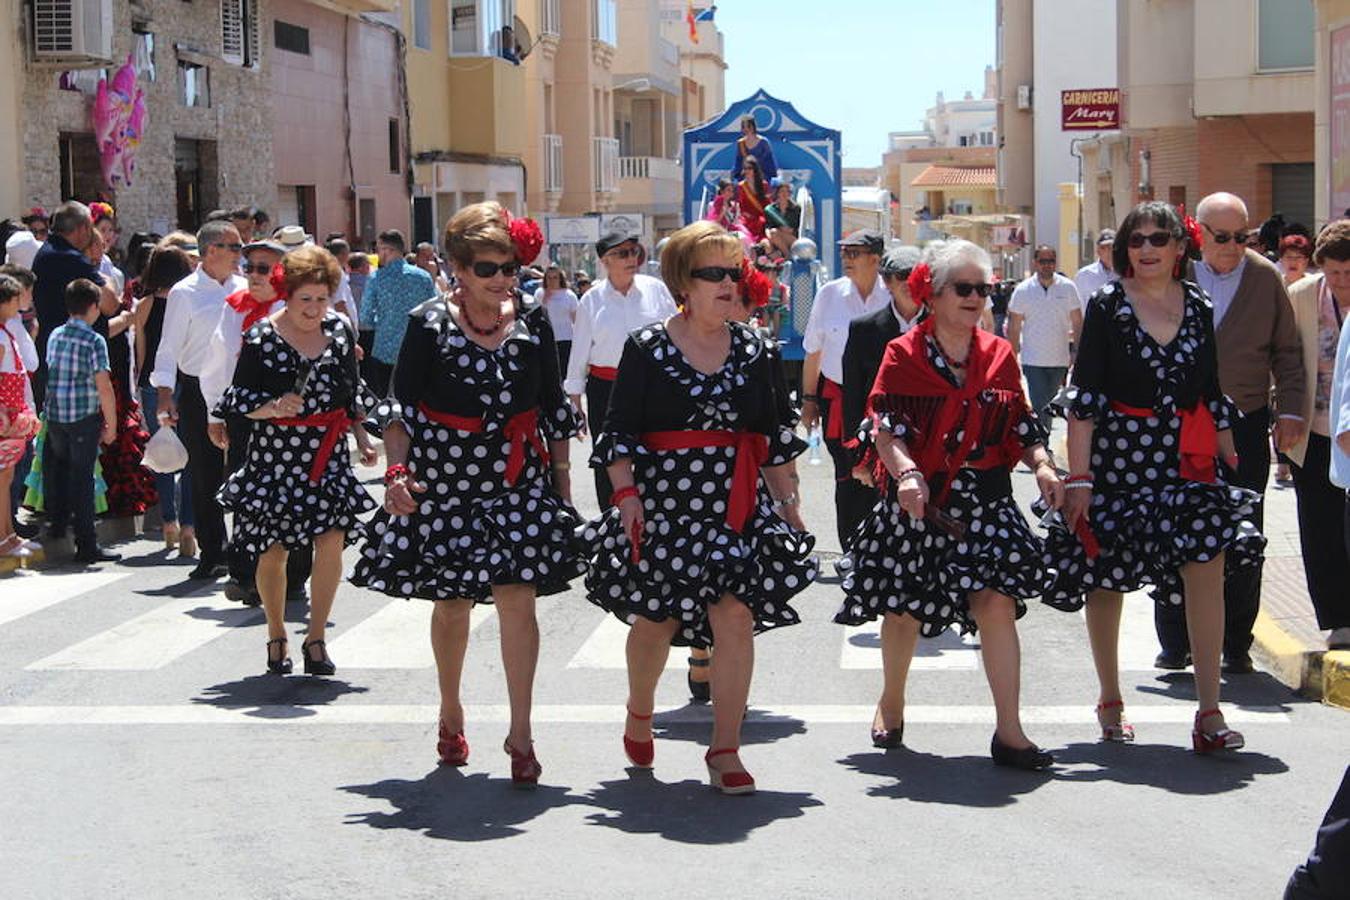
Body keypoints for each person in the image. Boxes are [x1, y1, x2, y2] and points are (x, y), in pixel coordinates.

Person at [580, 220, 814, 794]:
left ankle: (725, 747)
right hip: (665, 506)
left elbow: (771, 437)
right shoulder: (647, 347)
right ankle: (640, 709)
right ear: (685, 282)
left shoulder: (756, 347)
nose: (730, 283)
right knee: (656, 620)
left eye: (735, 271)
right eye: (715, 273)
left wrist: (788, 505)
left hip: (735, 502)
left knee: (735, 616)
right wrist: (627, 496)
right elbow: (618, 433)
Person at [352, 202, 580, 786]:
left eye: (510, 267)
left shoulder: (531, 321)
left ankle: (522, 730)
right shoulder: (428, 323)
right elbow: (399, 408)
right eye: (487, 268)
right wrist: (397, 475)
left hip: (515, 480)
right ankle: (451, 709)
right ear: (457, 267)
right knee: (451, 604)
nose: (502, 279)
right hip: (445, 479)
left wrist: (562, 490)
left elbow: (553, 411)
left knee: (517, 600)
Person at [1043, 200, 1264, 753]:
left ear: (1179, 247)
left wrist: (1227, 446)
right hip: (1119, 458)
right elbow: (1085, 398)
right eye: (1137, 240)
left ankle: (1210, 711)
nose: (1146, 249)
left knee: (1207, 565)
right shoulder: (1106, 305)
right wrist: (1081, 479)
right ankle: (1111, 699)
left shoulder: (1197, 303)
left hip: (1184, 459)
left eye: (1158, 240)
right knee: (1108, 579)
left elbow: (1209, 387)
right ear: (1125, 248)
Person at [835, 239, 1061, 768]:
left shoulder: (999, 353)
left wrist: (1044, 464)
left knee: (997, 603)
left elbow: (1021, 425)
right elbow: (883, 428)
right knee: (903, 612)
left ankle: (1010, 732)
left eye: (984, 289)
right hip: (921, 501)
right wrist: (908, 474)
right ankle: (891, 702)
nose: (976, 297)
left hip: (985, 501)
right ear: (931, 295)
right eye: (964, 288)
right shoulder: (903, 353)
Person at [1154, 191, 1305, 674]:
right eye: (1223, 237)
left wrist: (1291, 412)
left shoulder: (1265, 278)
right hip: (1182, 422)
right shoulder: (1174, 272)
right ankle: (1175, 639)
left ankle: (1235, 642)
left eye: (1244, 236)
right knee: (1174, 522)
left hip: (1244, 420)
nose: (1235, 246)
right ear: (1198, 234)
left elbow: (1287, 351)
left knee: (1244, 529)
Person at [216, 246, 377, 676]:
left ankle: (317, 637)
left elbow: (350, 391)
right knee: (274, 549)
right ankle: (276, 633)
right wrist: (272, 407)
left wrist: (361, 436)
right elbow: (239, 400)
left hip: (326, 453)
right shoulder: (262, 337)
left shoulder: (341, 330)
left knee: (331, 543)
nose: (315, 308)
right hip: (275, 456)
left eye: (322, 299)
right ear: (287, 295)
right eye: (306, 299)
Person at [201, 238, 314, 607]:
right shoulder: (234, 309)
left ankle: (294, 575)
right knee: (247, 494)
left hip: (293, 422)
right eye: (248, 268)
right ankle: (245, 574)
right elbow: (216, 363)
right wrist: (215, 413)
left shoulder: (297, 309)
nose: (253, 276)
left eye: (263, 268)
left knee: (294, 497)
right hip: (247, 417)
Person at [151, 221, 247, 580]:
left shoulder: (244, 288)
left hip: (240, 389)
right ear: (210, 251)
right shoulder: (184, 292)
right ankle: (213, 551)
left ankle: (244, 549)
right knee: (204, 472)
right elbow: (169, 346)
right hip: (196, 389)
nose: (240, 254)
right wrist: (164, 393)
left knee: (244, 469)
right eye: (234, 247)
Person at [564, 230, 677, 505]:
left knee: (655, 453)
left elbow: (676, 334)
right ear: (605, 261)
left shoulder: (656, 289)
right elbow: (579, 351)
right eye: (622, 254)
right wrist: (575, 400)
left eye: (634, 252)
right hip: (606, 389)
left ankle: (654, 518)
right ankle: (610, 526)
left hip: (653, 386)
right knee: (609, 458)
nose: (631, 259)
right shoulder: (591, 300)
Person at [800, 229, 891, 555]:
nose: (846, 259)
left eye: (855, 253)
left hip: (885, 405)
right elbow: (814, 352)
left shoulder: (893, 294)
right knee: (847, 474)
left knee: (885, 474)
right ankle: (852, 551)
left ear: (875, 259)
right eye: (844, 253)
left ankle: (883, 549)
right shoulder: (829, 294)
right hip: (838, 401)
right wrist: (809, 402)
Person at [1285, 222, 1350, 651]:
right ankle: (1337, 618)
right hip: (1313, 432)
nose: (1343, 282)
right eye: (1335, 273)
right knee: (1320, 528)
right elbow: (1286, 361)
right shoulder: (1301, 297)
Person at [43, 279, 118, 563]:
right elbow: (104, 385)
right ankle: (87, 544)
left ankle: (58, 524)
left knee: (60, 471)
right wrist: (111, 424)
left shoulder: (55, 335)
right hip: (84, 415)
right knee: (82, 478)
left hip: (56, 414)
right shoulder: (94, 340)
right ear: (93, 306)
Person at [841, 245, 925, 484]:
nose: (909, 282)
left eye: (915, 275)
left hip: (932, 444)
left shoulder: (943, 326)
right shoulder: (863, 328)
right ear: (887, 282)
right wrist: (858, 459)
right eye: (901, 276)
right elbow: (853, 396)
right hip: (879, 442)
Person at [133, 246, 196, 556]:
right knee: (191, 456)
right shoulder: (188, 299)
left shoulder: (144, 304)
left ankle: (168, 523)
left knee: (163, 455)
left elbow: (141, 350)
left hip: (153, 384)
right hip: (186, 381)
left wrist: (142, 382)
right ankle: (189, 527)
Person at [31, 202, 116, 411]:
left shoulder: (47, 252)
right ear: (82, 228)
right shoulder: (71, 259)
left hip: (55, 358)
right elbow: (110, 304)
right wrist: (104, 275)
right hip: (76, 370)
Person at [1007, 244, 1082, 427]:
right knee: (1041, 405)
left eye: (1051, 261)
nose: (1046, 265)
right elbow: (1014, 327)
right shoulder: (1023, 290)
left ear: (1055, 263)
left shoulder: (1068, 288)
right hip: (1033, 360)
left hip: (1059, 360)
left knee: (1050, 403)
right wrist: (1011, 358)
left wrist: (1077, 352)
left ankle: (1043, 441)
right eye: (1042, 261)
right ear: (1035, 263)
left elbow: (1078, 322)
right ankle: (1043, 446)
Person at [358, 229, 435, 398]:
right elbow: (434, 311)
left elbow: (365, 317)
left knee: (386, 403)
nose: (378, 254)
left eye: (379, 249)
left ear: (387, 250)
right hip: (418, 348)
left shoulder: (376, 278)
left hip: (385, 349)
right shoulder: (423, 277)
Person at [0, 275, 40, 557]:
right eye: (15, 299)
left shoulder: (8, 332)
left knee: (8, 476)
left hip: (13, 414)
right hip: (4, 415)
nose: (20, 304)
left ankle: (9, 534)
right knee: (2, 478)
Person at [534, 264, 578, 374]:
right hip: (546, 339)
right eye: (549, 278)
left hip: (565, 338)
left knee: (564, 371)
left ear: (560, 278)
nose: (552, 281)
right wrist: (545, 299)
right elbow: (535, 316)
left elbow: (576, 319)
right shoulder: (539, 293)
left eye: (555, 278)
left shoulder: (569, 295)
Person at [1073, 229, 1118, 313]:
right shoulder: (1084, 275)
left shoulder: (1126, 274)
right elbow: (1076, 306)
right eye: (1104, 248)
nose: (1109, 252)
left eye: (1112, 247)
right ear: (1098, 251)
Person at [732, 114, 778, 182]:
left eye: (748, 126)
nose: (746, 129)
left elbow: (769, 162)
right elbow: (738, 161)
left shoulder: (763, 142)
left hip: (762, 176)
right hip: (746, 177)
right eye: (743, 127)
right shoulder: (741, 143)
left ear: (753, 126)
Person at [736, 157, 771, 242]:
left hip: (761, 215)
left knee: (762, 222)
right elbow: (741, 205)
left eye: (750, 168)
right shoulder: (741, 186)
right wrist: (746, 214)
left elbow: (768, 204)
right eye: (745, 168)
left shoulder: (764, 185)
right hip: (747, 217)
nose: (747, 171)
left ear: (755, 169)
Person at [765, 178, 801, 260]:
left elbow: (793, 229)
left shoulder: (796, 208)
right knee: (772, 234)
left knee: (775, 232)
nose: (785, 194)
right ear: (777, 193)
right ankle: (787, 254)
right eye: (782, 191)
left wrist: (782, 230)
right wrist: (771, 233)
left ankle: (786, 255)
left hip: (792, 238)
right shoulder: (770, 209)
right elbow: (768, 227)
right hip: (776, 237)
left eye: (787, 191)